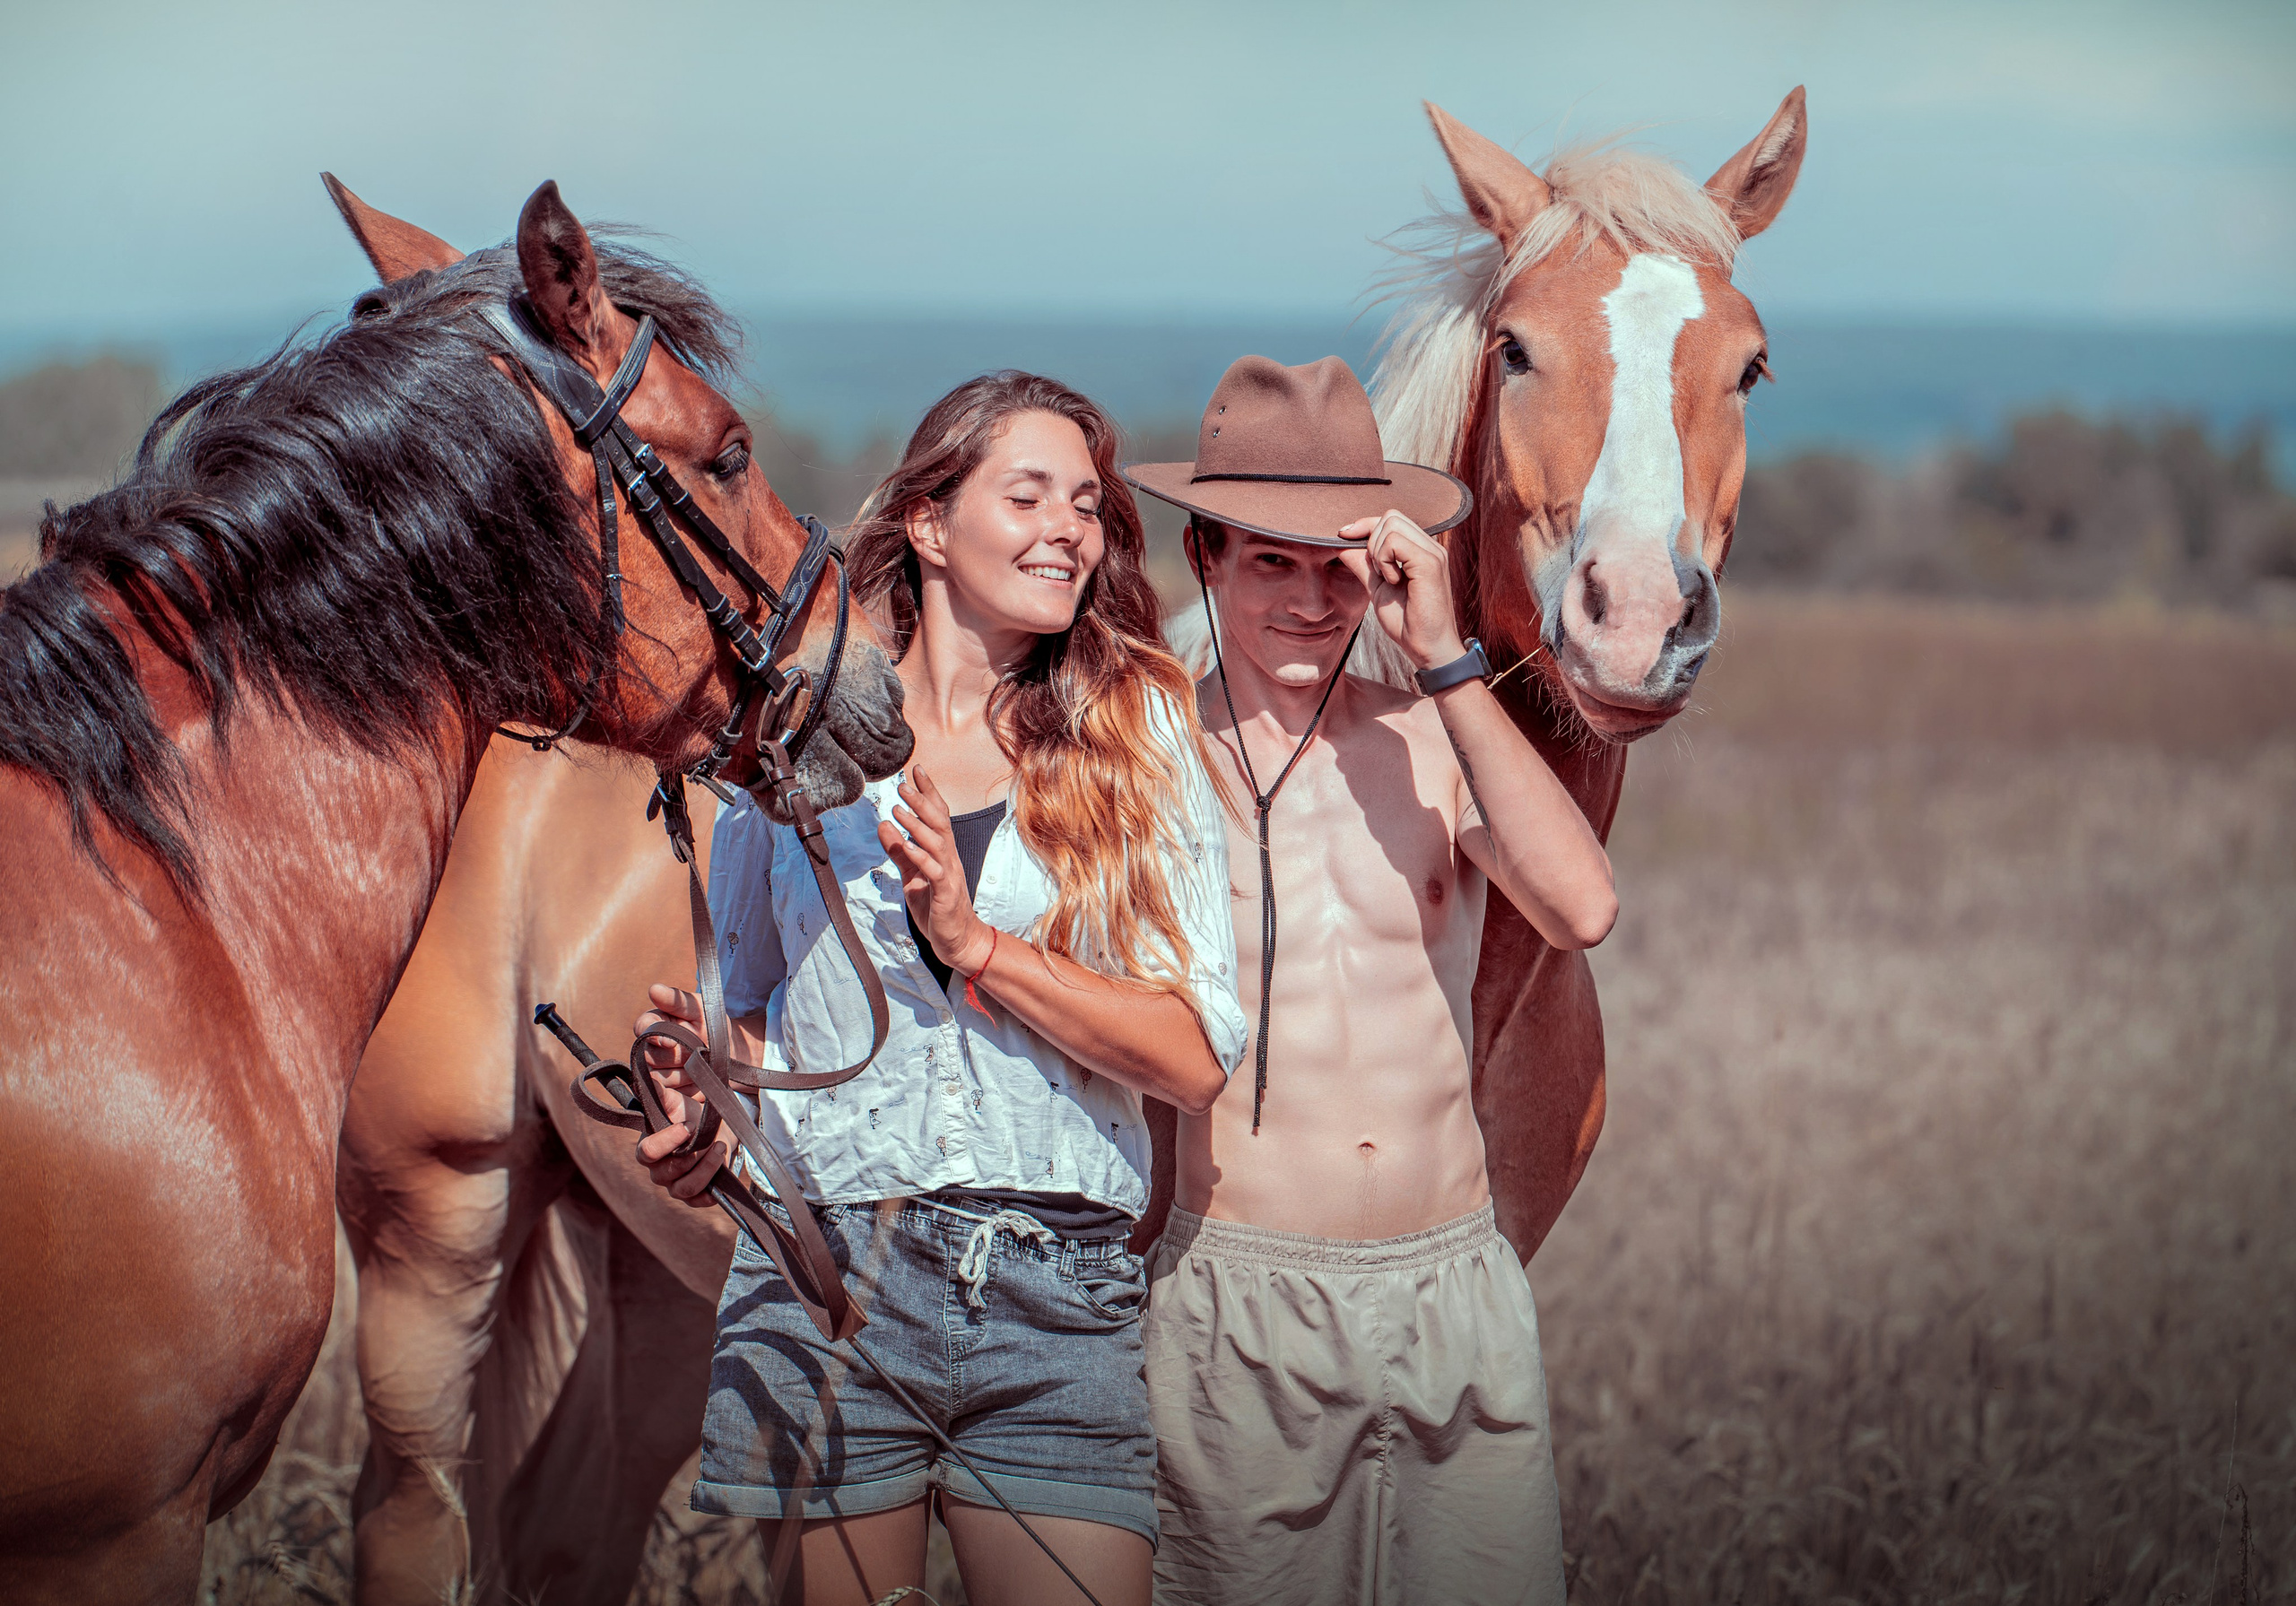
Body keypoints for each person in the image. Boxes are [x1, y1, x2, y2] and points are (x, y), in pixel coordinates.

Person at [635, 370, 1247, 1606]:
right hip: (829, 1279)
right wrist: (703, 1102)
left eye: (1087, 504)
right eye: (1029, 496)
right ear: (928, 522)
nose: (1070, 529)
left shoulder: (1135, 731)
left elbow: (1193, 1057)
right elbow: (751, 1015)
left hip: (1057, 1291)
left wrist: (978, 947)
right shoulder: (791, 735)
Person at [1122, 356, 1618, 1604]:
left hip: (1454, 1287)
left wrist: (1444, 656)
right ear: (1205, 559)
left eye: (1338, 565)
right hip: (1240, 1298)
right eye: (1270, 563)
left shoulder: (1430, 741)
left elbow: (1582, 906)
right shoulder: (1146, 761)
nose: (1309, 600)